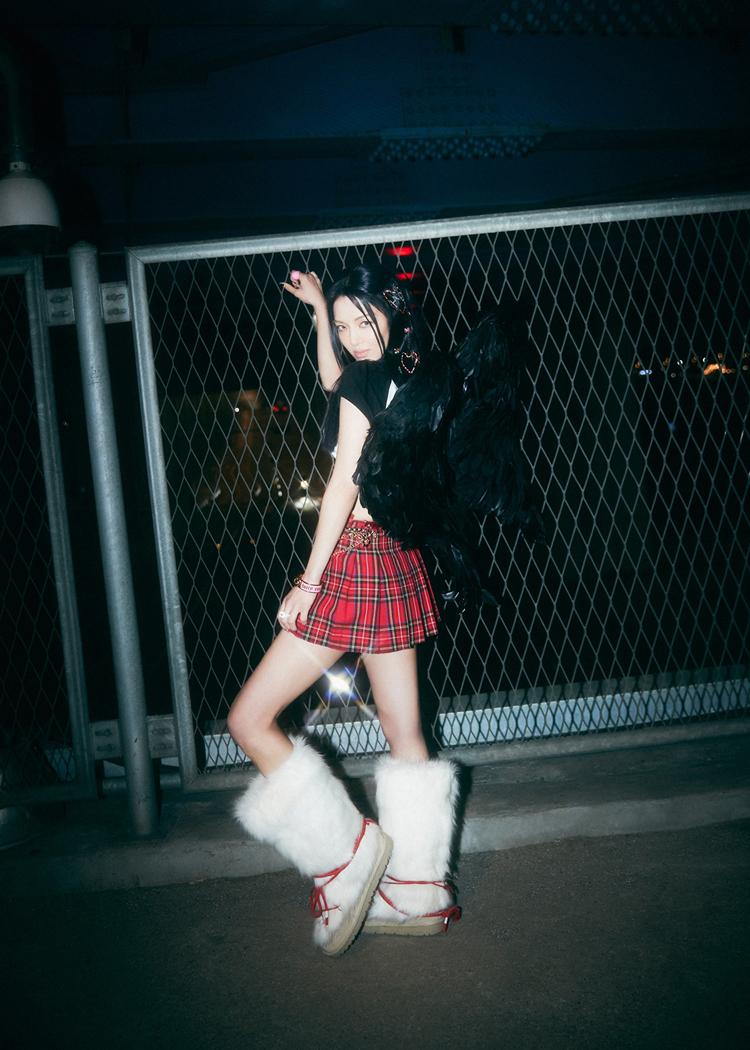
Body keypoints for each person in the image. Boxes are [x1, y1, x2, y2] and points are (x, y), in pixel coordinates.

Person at [228, 263, 464, 958]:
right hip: (397, 560)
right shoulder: (411, 377)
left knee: (248, 720)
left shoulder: (368, 380)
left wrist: (308, 582)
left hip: (352, 563)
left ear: (392, 314)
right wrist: (317, 312)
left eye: (364, 321)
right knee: (405, 732)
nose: (353, 336)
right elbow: (340, 383)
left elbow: (339, 485)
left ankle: (346, 858)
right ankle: (421, 891)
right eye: (343, 326)